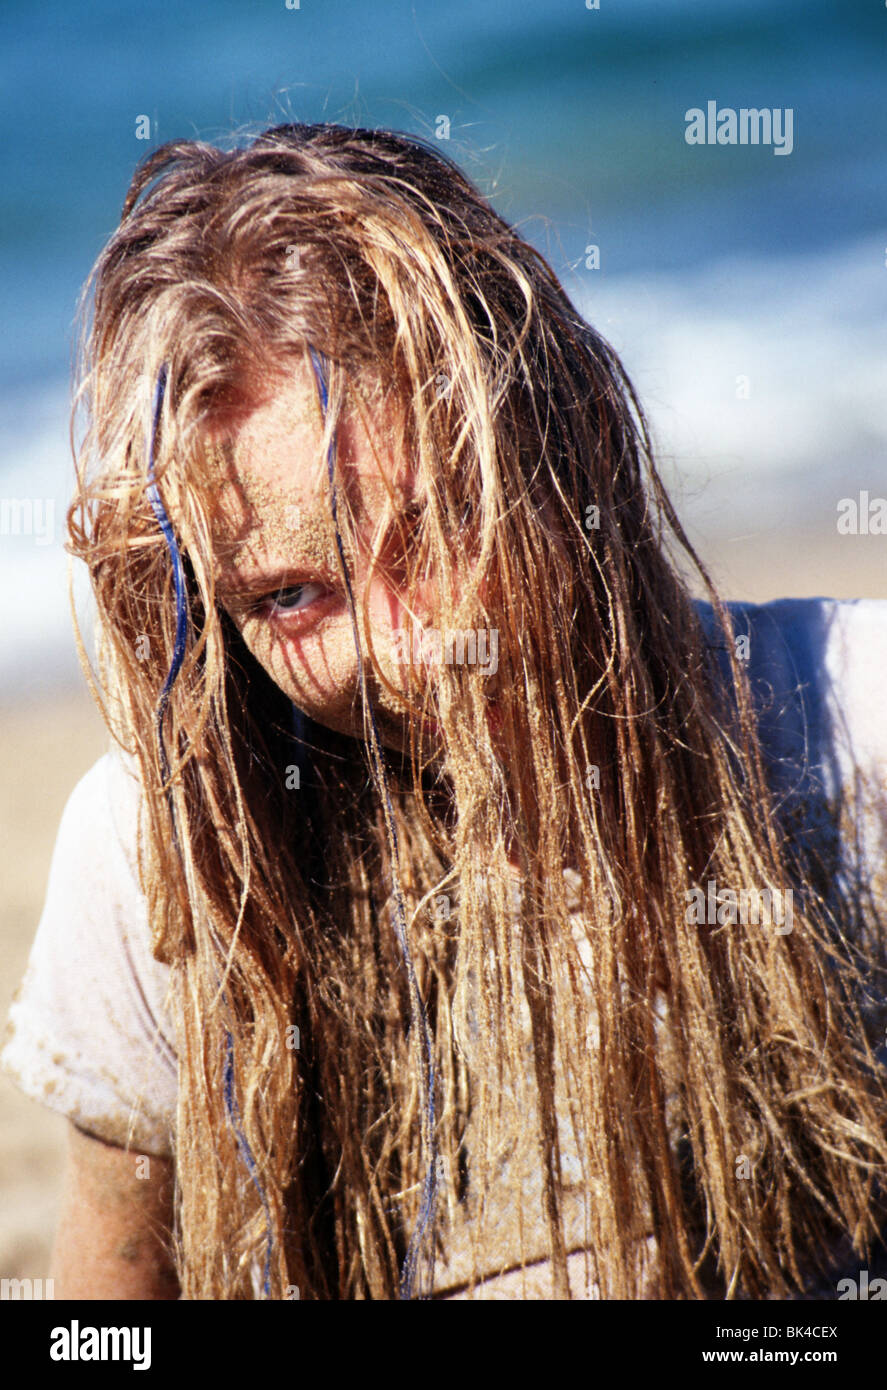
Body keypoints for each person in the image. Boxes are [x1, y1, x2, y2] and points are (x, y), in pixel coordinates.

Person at [3, 122, 886, 1301]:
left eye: (440, 528)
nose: (414, 651)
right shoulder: (170, 864)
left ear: (556, 435)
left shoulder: (844, 730)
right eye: (293, 594)